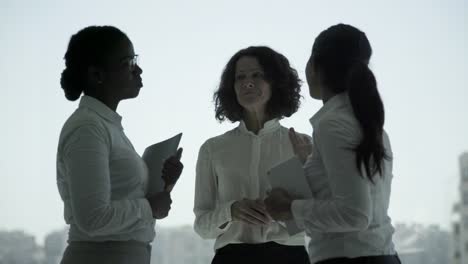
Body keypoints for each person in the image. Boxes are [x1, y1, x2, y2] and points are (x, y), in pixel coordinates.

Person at [264, 24, 401, 264]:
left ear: (315, 66)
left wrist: (290, 208)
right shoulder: (366, 122)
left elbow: (355, 214)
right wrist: (312, 162)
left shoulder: (333, 124)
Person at [56, 25, 183, 264]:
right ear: (97, 75)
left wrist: (163, 186)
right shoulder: (88, 128)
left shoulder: (106, 126)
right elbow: (93, 218)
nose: (139, 69)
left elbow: (126, 199)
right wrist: (149, 206)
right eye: (128, 62)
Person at [193, 46, 311, 264]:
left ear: (276, 83)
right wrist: (231, 211)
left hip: (289, 258)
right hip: (231, 258)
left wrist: (283, 211)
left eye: (258, 75)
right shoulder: (212, 149)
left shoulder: (303, 145)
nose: (248, 82)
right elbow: (202, 226)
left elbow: (319, 220)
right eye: (240, 77)